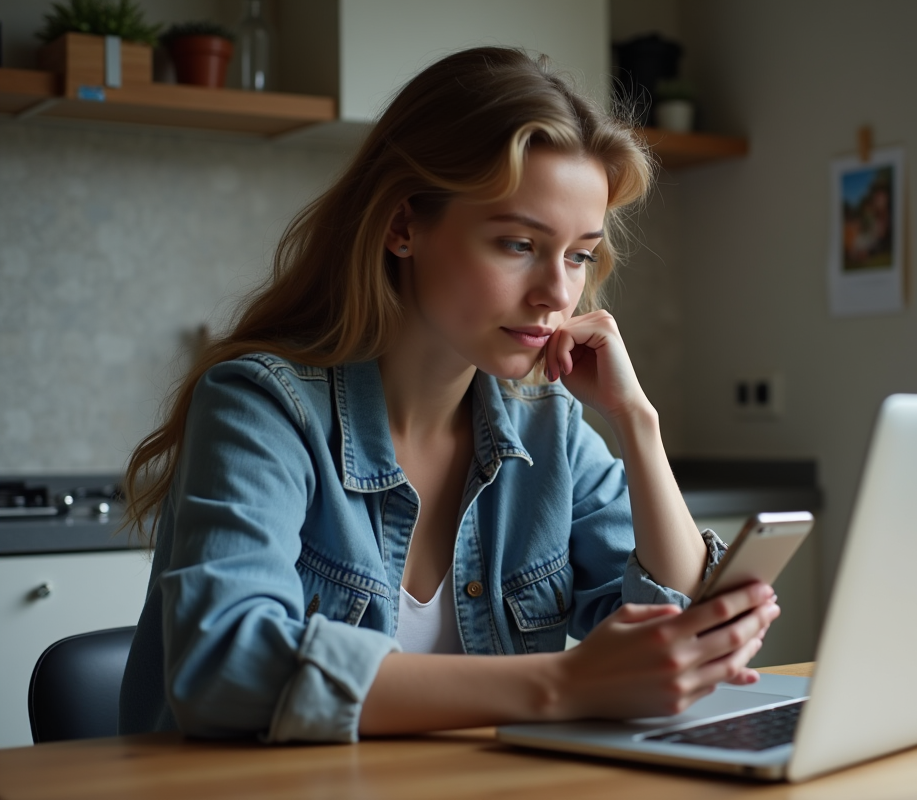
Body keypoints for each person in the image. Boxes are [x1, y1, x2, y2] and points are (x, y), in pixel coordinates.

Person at [118, 46, 780, 743]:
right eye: (519, 244)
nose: (558, 292)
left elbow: (670, 638)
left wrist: (634, 421)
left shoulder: (546, 424)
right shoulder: (261, 407)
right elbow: (223, 665)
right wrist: (565, 683)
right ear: (403, 226)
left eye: (579, 254)